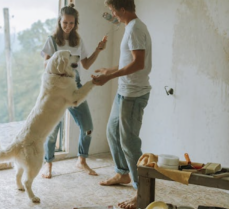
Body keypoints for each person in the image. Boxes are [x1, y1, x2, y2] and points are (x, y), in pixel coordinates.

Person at [91, 0, 152, 208]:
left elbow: (139, 62)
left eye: (112, 10)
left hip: (133, 95)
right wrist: (110, 71)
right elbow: (129, 61)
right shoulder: (130, 27)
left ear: (122, 9)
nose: (113, 14)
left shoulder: (135, 28)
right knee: (112, 132)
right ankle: (122, 173)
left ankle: (141, 192)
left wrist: (110, 77)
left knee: (130, 143)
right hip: (124, 91)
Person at [40, 3, 107, 178]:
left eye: (71, 23)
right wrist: (59, 59)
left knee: (88, 127)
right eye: (65, 23)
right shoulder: (52, 40)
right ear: (59, 22)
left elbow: (85, 64)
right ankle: (48, 164)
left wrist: (98, 50)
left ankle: (81, 161)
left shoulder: (78, 41)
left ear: (75, 23)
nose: (68, 26)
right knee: (52, 129)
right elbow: (45, 65)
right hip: (56, 88)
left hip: (74, 86)